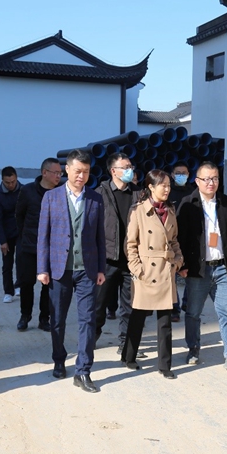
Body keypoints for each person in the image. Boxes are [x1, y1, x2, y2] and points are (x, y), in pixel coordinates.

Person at [37, 149, 105, 393]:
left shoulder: (95, 199)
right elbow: (43, 236)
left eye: (85, 172)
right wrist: (42, 268)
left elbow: (100, 237)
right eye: (77, 171)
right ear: (67, 170)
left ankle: (83, 370)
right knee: (57, 319)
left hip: (87, 270)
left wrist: (101, 268)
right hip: (59, 269)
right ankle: (58, 359)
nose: (81, 176)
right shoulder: (51, 197)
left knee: (87, 320)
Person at [177, 161, 227, 371]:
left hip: (221, 267)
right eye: (207, 179)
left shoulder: (225, 202)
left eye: (215, 178)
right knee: (193, 312)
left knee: (226, 311)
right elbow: (180, 237)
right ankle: (193, 348)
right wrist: (182, 264)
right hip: (198, 269)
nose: (211, 183)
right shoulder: (188, 204)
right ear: (197, 181)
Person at [122, 170, 184, 379]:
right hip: (146, 270)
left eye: (168, 185)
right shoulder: (138, 210)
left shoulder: (171, 210)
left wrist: (177, 261)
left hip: (165, 269)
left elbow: (174, 240)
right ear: (151, 186)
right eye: (162, 185)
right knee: (138, 316)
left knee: (165, 321)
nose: (167, 189)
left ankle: (165, 366)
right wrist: (137, 268)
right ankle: (129, 356)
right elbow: (130, 244)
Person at [94, 152, 142, 356]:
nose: (130, 170)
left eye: (131, 167)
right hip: (107, 259)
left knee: (130, 306)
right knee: (99, 304)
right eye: (126, 167)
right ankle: (92, 336)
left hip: (131, 259)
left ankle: (126, 344)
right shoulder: (99, 194)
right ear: (113, 171)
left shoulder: (139, 194)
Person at [15, 158, 61, 331]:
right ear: (44, 173)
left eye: (60, 173)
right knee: (26, 283)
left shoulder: (61, 192)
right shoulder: (27, 191)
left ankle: (44, 318)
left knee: (48, 285)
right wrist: (25, 237)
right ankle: (25, 315)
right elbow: (19, 216)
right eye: (55, 173)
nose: (58, 176)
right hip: (29, 246)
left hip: (52, 249)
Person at [168, 161, 194, 321]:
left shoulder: (193, 192)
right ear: (172, 174)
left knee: (190, 274)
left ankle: (186, 303)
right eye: (178, 173)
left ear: (189, 175)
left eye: (184, 173)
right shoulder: (168, 192)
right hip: (172, 239)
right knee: (172, 276)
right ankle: (174, 308)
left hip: (189, 239)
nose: (181, 176)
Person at [0, 166, 22, 303]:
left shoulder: (24, 191)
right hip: (7, 233)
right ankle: (8, 292)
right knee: (7, 264)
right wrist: (2, 241)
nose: (11, 185)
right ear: (2, 181)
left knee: (22, 260)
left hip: (22, 232)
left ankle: (19, 285)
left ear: (16, 178)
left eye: (13, 181)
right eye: (7, 182)